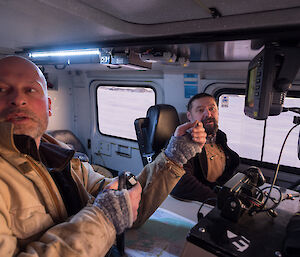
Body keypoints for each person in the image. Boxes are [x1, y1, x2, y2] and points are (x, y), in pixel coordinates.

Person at [0, 56, 207, 257]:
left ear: (49, 107)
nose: (18, 99)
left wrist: (174, 156)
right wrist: (104, 219)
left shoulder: (65, 160)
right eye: (1, 89)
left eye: (31, 89)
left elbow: (129, 205)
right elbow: (110, 214)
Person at [171, 93, 240, 204]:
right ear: (189, 116)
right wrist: (218, 201)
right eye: (200, 110)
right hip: (202, 205)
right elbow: (180, 182)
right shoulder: (183, 143)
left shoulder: (220, 137)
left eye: (212, 108)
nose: (208, 114)